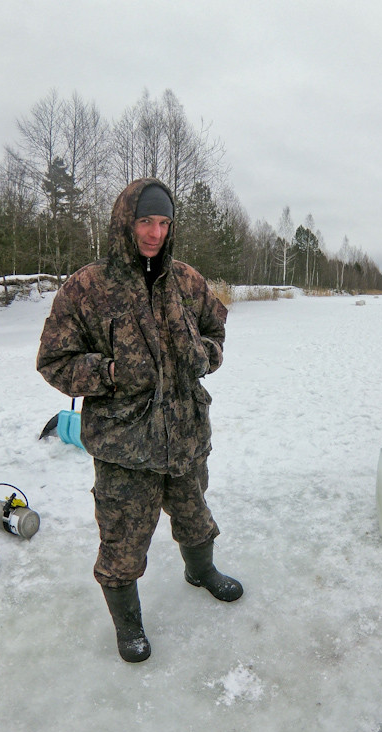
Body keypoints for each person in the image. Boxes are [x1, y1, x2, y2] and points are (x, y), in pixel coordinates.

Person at [37, 177, 243, 663]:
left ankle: (201, 571)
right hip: (125, 448)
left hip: (186, 433)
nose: (155, 232)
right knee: (123, 543)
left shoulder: (188, 280)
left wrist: (206, 354)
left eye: (164, 222)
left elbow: (217, 329)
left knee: (196, 517)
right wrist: (107, 371)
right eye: (146, 221)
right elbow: (53, 361)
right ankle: (127, 625)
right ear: (125, 222)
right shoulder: (87, 286)